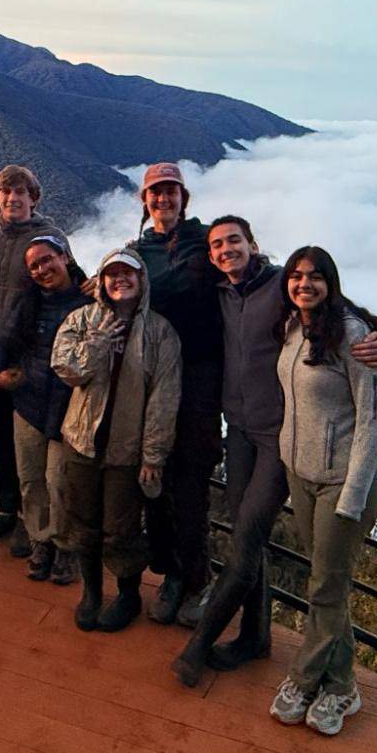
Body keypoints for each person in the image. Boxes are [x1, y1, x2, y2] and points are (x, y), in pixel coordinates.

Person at [173, 217, 377, 685]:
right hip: (240, 432)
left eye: (235, 240)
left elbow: (333, 305)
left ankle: (198, 647)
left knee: (247, 541)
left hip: (279, 439)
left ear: (253, 244)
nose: (226, 249)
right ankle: (255, 637)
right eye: (217, 244)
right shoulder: (219, 291)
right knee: (245, 537)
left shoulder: (280, 285)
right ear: (211, 256)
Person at [268, 247, 377, 737]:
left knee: (324, 585)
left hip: (343, 482)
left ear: (330, 282)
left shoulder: (354, 335)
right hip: (300, 474)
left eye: (315, 278)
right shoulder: (292, 326)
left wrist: (353, 495)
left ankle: (304, 679)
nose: (304, 285)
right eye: (296, 277)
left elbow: (374, 418)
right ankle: (342, 686)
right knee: (327, 583)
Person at [51, 249, 182, 633]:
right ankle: (92, 591)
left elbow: (164, 398)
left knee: (121, 528)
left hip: (127, 449)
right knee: (82, 520)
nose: (120, 280)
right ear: (102, 281)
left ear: (142, 281)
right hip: (81, 440)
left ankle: (127, 593)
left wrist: (153, 455)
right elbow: (66, 369)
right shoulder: (82, 319)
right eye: (112, 274)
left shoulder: (160, 333)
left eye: (129, 274)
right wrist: (97, 343)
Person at [129, 162, 222, 626]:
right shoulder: (136, 250)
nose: (163, 199)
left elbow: (266, 275)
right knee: (153, 480)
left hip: (201, 379)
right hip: (150, 378)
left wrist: (362, 325)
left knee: (190, 485)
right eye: (155, 193)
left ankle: (197, 580)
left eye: (171, 192)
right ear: (144, 201)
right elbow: (115, 295)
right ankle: (168, 574)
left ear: (185, 198)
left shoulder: (208, 242)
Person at [0, 164, 64, 555]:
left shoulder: (50, 236)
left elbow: (66, 284)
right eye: (6, 193)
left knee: (32, 448)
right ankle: (8, 509)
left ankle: (34, 521)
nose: (13, 199)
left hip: (28, 363)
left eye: (21, 193)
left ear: (33, 198)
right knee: (0, 440)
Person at [0, 233, 89, 584]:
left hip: (70, 410)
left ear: (65, 258)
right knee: (31, 480)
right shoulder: (28, 303)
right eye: (35, 266)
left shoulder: (88, 302)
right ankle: (40, 540)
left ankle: (66, 546)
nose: (43, 269)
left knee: (60, 482)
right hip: (28, 402)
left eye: (48, 260)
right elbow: (2, 340)